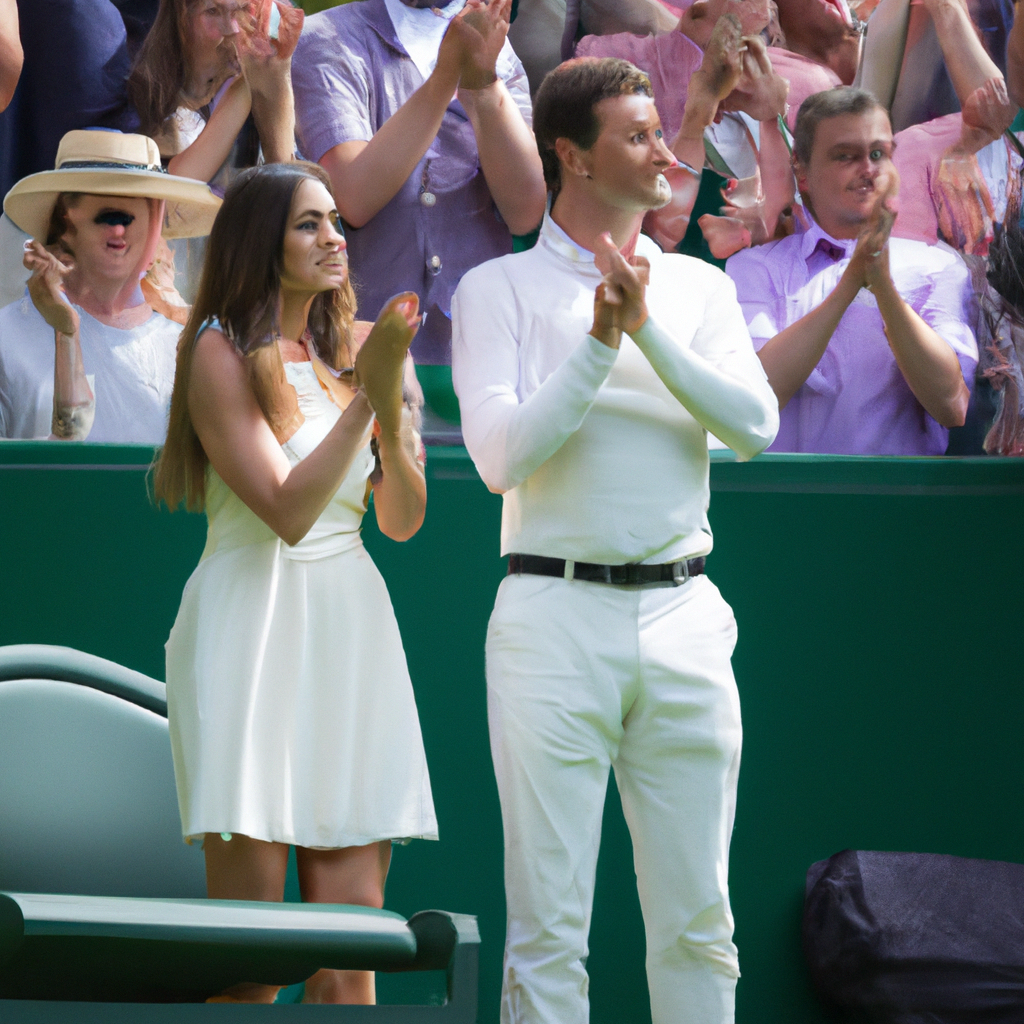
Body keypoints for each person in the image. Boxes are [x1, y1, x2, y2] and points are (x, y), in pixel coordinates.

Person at [452, 57, 778, 1024]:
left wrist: (644, 329)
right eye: (636, 135)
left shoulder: (697, 291)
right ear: (573, 157)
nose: (663, 152)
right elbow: (503, 458)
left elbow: (754, 428)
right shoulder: (496, 289)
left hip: (685, 615)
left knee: (699, 922)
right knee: (549, 930)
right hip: (550, 620)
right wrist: (599, 344)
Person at [154, 161, 437, 1006]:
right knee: (251, 965)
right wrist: (365, 402)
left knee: (351, 962)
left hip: (352, 630)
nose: (333, 239)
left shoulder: (349, 354)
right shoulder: (215, 350)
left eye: (333, 223)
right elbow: (284, 510)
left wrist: (385, 402)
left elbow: (400, 520)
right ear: (259, 242)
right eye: (309, 224)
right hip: (255, 630)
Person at [291, 0, 546, 372]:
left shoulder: (496, 46)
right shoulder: (327, 37)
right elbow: (352, 197)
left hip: (485, 357)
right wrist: (447, 76)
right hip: (362, 351)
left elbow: (525, 213)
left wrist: (483, 85)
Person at [727, 87, 977, 454]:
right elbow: (755, 396)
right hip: (785, 499)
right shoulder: (753, 268)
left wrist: (885, 290)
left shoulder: (938, 266)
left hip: (899, 503)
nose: (868, 170)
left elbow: (952, 405)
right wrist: (850, 283)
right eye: (845, 156)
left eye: (878, 153)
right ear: (803, 172)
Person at [0, 129, 219, 442]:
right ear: (63, 222)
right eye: (106, 217)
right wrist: (67, 332)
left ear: (154, 220)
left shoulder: (189, 346)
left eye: (129, 217)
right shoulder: (6, 335)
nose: (119, 231)